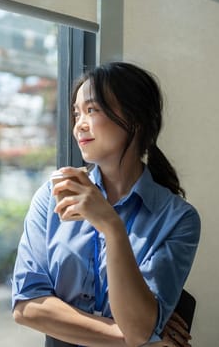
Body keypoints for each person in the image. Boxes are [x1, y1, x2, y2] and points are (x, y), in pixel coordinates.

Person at [11, 62, 200, 347]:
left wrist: (111, 226)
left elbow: (140, 327)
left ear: (135, 119)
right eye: (77, 113)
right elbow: (27, 306)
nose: (79, 125)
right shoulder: (52, 196)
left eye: (92, 110)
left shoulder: (178, 218)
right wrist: (133, 337)